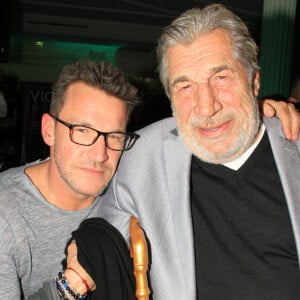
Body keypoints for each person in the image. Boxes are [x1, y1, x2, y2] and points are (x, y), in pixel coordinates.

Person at [62, 4, 300, 300]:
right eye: (185, 86)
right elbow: (81, 186)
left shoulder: (293, 143)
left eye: (221, 78)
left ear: (254, 81)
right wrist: (79, 254)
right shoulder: (146, 155)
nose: (206, 106)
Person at [0, 60, 141, 299]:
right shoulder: (6, 213)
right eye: (83, 130)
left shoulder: (128, 196)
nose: (100, 154)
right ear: (49, 130)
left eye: (114, 136)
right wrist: (69, 287)